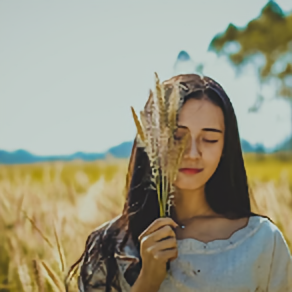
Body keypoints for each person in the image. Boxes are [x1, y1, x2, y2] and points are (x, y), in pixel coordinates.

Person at [65, 74, 292, 292]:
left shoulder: (262, 242)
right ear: (152, 142)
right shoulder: (108, 245)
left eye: (209, 139)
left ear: (225, 148)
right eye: (177, 137)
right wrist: (147, 281)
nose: (192, 153)